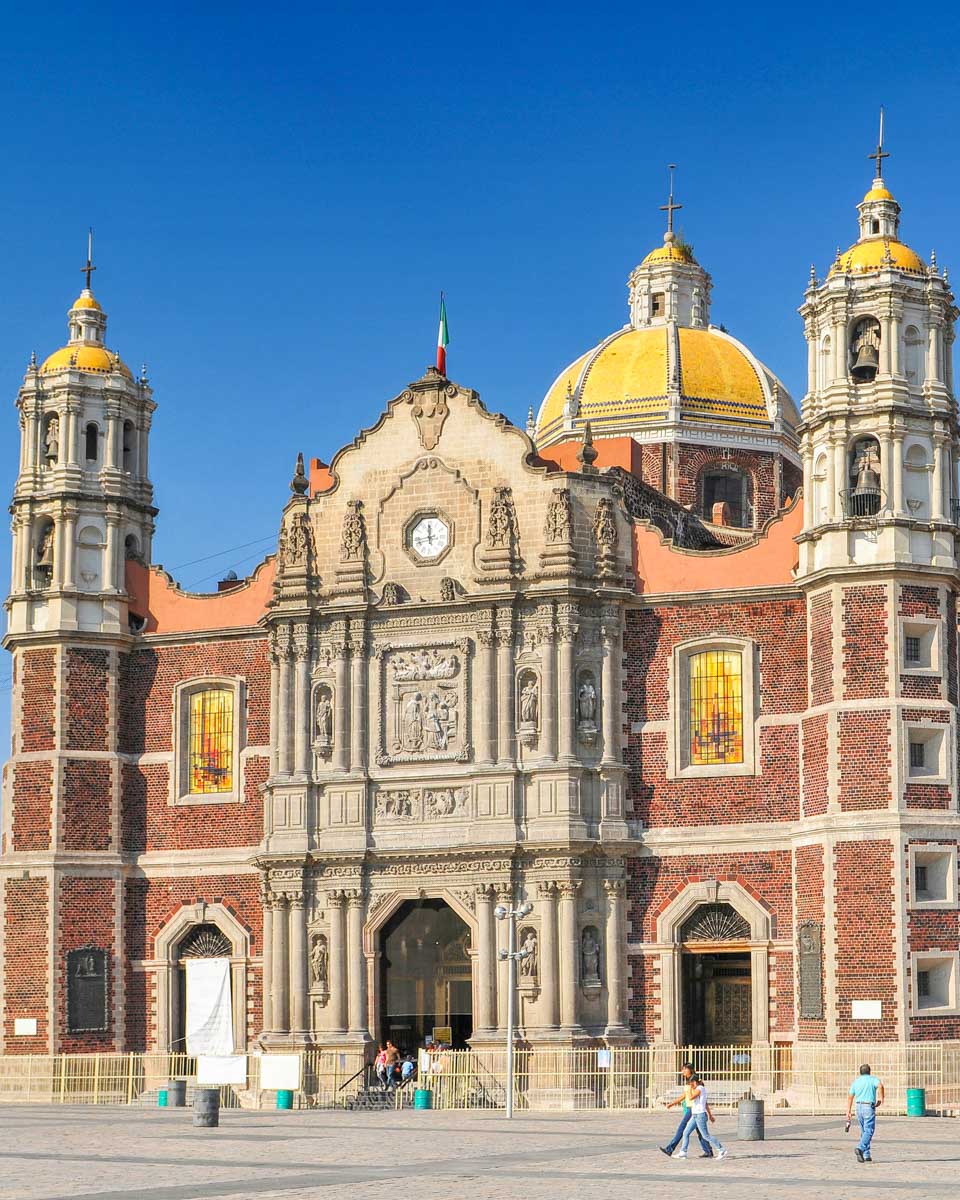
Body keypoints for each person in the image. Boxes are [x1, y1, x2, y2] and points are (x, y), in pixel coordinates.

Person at [661, 1064, 713, 1159]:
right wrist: (672, 1103)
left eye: (685, 1069)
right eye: (682, 1069)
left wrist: (709, 1113)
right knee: (700, 1131)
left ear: (690, 1069)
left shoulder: (696, 1082)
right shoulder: (689, 1082)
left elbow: (698, 1097)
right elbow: (684, 1095)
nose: (683, 1071)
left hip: (693, 1109)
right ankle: (708, 1151)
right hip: (691, 1109)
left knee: (682, 1128)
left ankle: (670, 1149)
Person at [675, 1074, 727, 1160]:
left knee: (705, 1135)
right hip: (695, 1115)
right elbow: (705, 1104)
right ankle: (683, 1152)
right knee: (686, 1132)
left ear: (694, 1082)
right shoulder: (697, 1089)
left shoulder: (700, 1089)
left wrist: (688, 1090)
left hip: (700, 1115)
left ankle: (721, 1149)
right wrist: (710, 1115)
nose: (691, 1086)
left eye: (691, 1084)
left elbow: (691, 1097)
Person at [846, 1063, 884, 1163]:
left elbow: (850, 1096)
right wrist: (881, 1098)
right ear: (869, 1071)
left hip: (858, 1107)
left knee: (864, 1131)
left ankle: (866, 1154)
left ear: (860, 1072)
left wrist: (848, 1111)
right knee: (869, 1130)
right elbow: (880, 1086)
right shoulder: (873, 1079)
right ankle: (860, 1148)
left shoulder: (856, 1082)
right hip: (868, 1107)